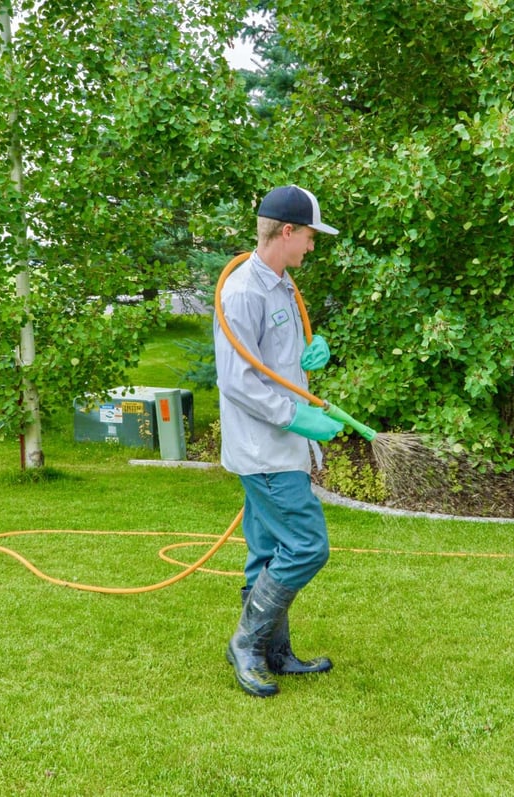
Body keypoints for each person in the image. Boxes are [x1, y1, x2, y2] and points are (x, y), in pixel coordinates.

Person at [213, 185, 344, 698]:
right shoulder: (244, 291)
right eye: (309, 237)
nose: (312, 246)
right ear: (286, 231)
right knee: (308, 546)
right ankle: (246, 643)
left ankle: (274, 651)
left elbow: (275, 359)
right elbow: (236, 380)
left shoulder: (281, 283)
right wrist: (297, 417)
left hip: (280, 445)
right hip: (264, 450)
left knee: (267, 549)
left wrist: (312, 353)